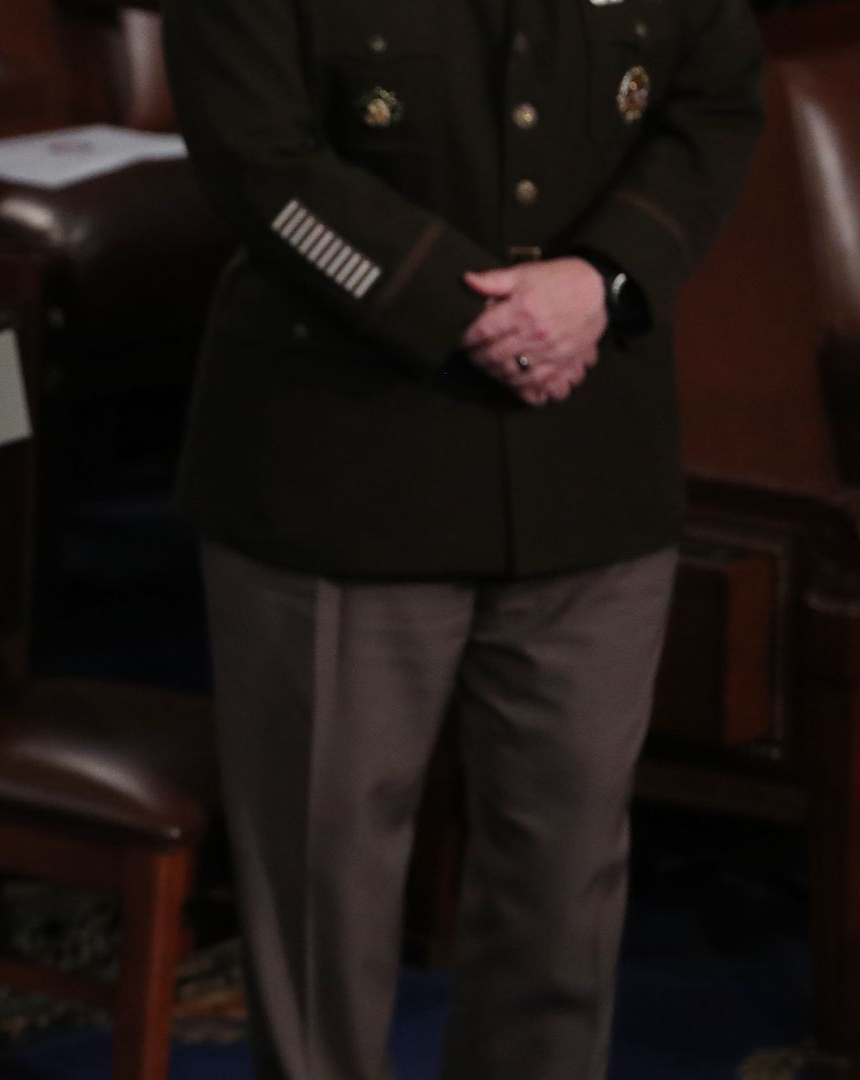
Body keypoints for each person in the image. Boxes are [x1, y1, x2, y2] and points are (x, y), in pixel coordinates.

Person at [162, 0, 763, 1076]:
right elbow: (258, 158)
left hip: (587, 462)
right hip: (341, 472)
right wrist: (464, 310)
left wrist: (604, 279)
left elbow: (716, 100)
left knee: (563, 901)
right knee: (323, 908)